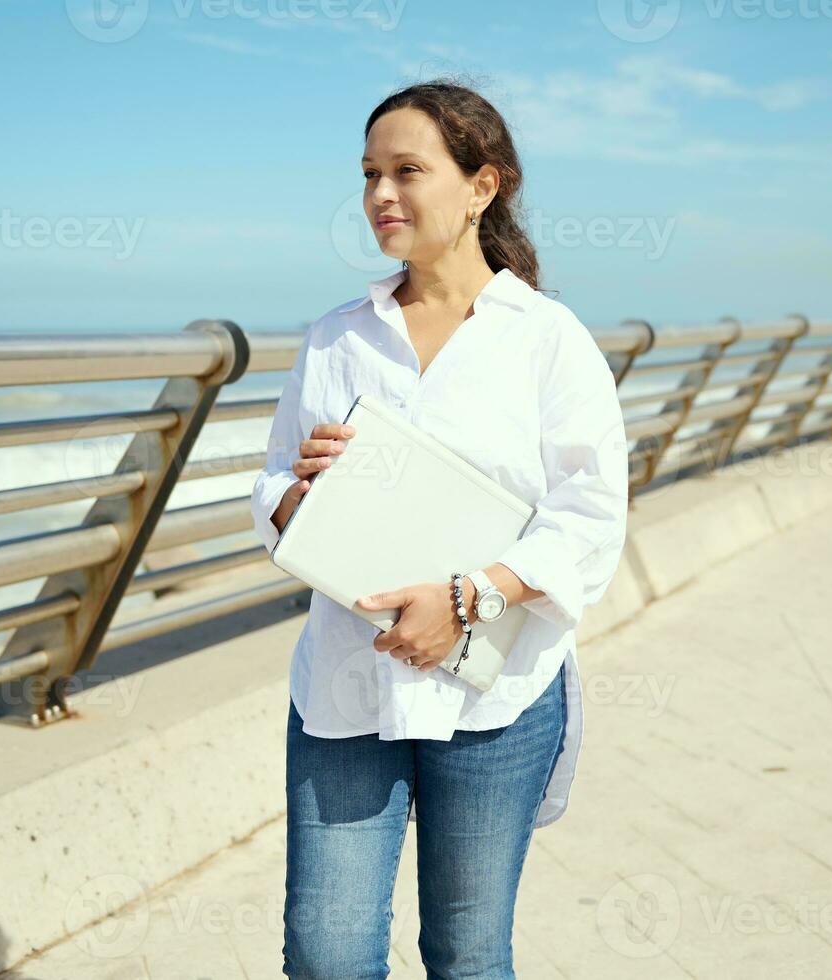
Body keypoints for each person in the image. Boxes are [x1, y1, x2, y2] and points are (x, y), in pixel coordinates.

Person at [249, 79, 630, 980]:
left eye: (407, 171)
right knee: (325, 957)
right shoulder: (336, 338)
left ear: (480, 188)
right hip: (348, 685)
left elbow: (590, 516)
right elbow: (269, 489)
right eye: (370, 173)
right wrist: (303, 494)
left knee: (464, 954)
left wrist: (467, 598)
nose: (381, 194)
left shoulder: (547, 339)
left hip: (496, 700)